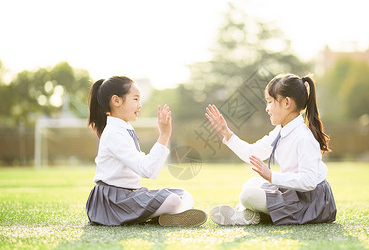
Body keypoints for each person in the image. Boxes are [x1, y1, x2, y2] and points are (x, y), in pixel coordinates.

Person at [205, 73, 336, 225]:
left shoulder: (304, 137)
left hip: (312, 202)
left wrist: (272, 176)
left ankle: (244, 214)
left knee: (248, 196)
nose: (267, 108)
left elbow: (309, 181)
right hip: (293, 192)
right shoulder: (280, 131)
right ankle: (247, 214)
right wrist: (227, 134)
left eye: (269, 102)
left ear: (287, 102)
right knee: (251, 184)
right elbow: (252, 153)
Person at [86, 76, 206, 227]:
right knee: (173, 200)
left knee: (183, 194)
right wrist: (164, 136)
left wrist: (164, 136)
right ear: (116, 101)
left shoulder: (123, 128)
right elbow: (147, 170)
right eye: (135, 99)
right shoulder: (114, 133)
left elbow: (146, 167)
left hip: (128, 196)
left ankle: (172, 215)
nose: (140, 105)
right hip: (112, 202)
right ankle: (172, 214)